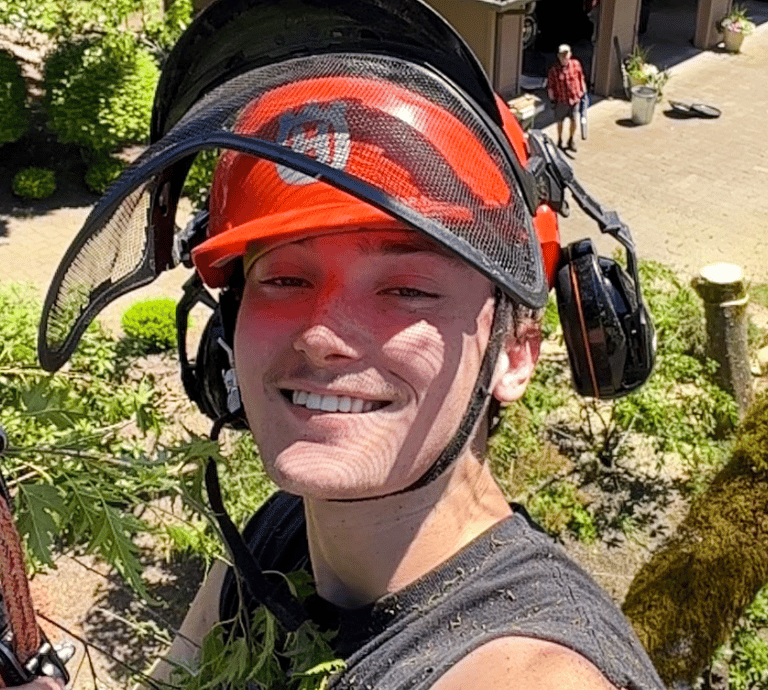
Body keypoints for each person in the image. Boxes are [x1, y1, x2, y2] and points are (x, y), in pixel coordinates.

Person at [26, 1, 661, 688]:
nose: (322, 334)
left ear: (514, 352)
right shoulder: (276, 541)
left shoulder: (530, 674)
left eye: (407, 289)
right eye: (285, 277)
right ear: (224, 336)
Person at [547, 44, 587, 152]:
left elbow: (581, 78)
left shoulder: (576, 64)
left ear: (570, 54)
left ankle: (571, 140)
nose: (564, 56)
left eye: (566, 54)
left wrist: (583, 91)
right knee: (559, 122)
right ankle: (559, 140)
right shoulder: (554, 70)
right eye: (562, 54)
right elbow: (550, 86)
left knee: (574, 121)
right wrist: (552, 100)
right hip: (561, 101)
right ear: (558, 56)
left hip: (574, 100)